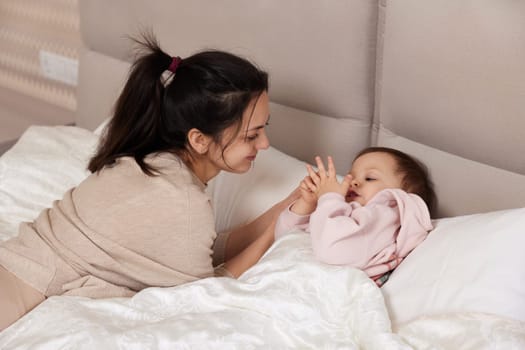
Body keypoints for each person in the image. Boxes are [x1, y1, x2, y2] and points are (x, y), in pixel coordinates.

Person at [0, 33, 299, 331]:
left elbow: (202, 248)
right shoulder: (183, 202)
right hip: (21, 289)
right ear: (199, 139)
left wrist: (291, 205)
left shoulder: (153, 161)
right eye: (252, 135)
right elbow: (205, 293)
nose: (264, 144)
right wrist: (272, 235)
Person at [275, 147, 436, 286]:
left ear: (399, 197)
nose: (354, 183)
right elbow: (284, 239)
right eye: (350, 177)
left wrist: (329, 198)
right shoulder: (338, 212)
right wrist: (306, 205)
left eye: (370, 178)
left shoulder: (385, 214)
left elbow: (333, 250)